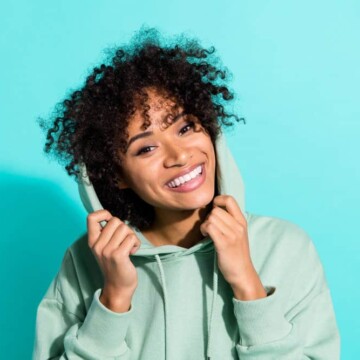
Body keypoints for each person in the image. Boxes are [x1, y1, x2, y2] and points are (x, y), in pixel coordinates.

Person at [33, 29, 340, 359]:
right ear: (116, 175)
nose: (179, 156)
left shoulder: (286, 247)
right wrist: (114, 299)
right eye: (147, 148)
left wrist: (247, 283)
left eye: (185, 127)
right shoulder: (86, 261)